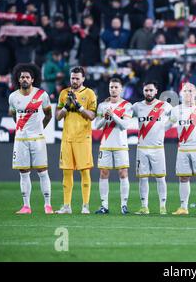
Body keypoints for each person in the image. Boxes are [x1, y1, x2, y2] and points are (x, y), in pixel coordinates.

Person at [8, 63, 53, 214]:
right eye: (22, 77)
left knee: (42, 171)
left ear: (33, 79)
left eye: (27, 77)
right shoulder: (13, 97)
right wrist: (22, 128)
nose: (25, 79)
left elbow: (48, 115)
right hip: (20, 140)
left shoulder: (42, 95)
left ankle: (48, 205)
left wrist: (39, 128)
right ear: (19, 80)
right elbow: (14, 115)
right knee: (23, 172)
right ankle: (26, 206)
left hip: (37, 139)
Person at [55, 67, 97, 214]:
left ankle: (85, 206)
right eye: (72, 78)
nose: (74, 81)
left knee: (85, 172)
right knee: (67, 172)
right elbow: (58, 116)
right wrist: (67, 104)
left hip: (83, 139)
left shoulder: (89, 93)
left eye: (77, 78)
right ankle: (67, 206)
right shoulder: (64, 93)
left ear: (83, 79)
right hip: (67, 138)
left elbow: (91, 116)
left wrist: (78, 105)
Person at [168, 82, 196, 216]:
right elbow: (167, 125)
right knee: (183, 178)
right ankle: (183, 207)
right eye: (185, 91)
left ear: (195, 93)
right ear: (181, 93)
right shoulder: (176, 110)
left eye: (191, 91)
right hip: (183, 147)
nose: (188, 93)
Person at [132, 81, 172, 215]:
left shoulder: (165, 106)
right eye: (146, 90)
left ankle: (162, 207)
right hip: (142, 147)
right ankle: (144, 206)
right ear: (143, 91)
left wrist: (164, 128)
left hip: (158, 147)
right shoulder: (137, 106)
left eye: (150, 90)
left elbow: (176, 118)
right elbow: (124, 116)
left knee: (160, 178)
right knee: (143, 178)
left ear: (156, 91)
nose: (148, 93)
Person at [94, 78, 132, 215]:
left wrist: (113, 115)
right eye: (111, 87)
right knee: (104, 172)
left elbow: (125, 125)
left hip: (121, 144)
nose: (113, 89)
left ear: (121, 89)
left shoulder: (127, 105)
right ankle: (104, 205)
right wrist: (105, 117)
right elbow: (96, 126)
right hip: (105, 144)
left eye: (116, 87)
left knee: (123, 173)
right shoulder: (102, 105)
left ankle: (124, 205)